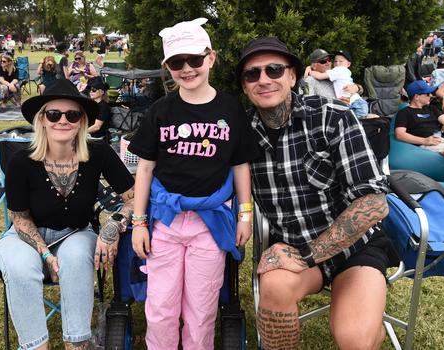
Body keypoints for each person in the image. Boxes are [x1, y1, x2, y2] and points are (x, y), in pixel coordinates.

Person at [237, 37, 391, 350]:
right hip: (294, 248)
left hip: (354, 249)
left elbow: (373, 204)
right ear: (244, 86)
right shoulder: (242, 135)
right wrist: (132, 211)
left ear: (293, 76)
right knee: (274, 285)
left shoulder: (333, 117)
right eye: (252, 74)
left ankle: (370, 325)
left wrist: (308, 254)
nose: (263, 79)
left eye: (274, 70)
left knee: (355, 340)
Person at [128, 18, 256, 350]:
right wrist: (139, 222)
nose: (187, 69)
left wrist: (245, 214)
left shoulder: (231, 108)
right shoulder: (160, 111)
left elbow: (240, 164)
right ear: (167, 67)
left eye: (194, 60)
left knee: (201, 310)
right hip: (165, 222)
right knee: (160, 309)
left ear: (210, 58)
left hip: (210, 223)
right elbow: (144, 170)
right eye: (176, 62)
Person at [0, 79, 135, 350]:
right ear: (42, 120)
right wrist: (45, 254)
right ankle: (36, 346)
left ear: (82, 121)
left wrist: (113, 226)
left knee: (77, 256)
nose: (63, 121)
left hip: (76, 233)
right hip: (26, 235)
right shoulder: (21, 161)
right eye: (53, 114)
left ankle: (77, 344)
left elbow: (135, 197)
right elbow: (19, 217)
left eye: (72, 114)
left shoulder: (99, 153)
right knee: (20, 266)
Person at [306, 50, 369, 118]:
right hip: (333, 118)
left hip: (351, 107)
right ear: (314, 66)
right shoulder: (309, 81)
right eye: (323, 61)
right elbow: (307, 107)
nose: (328, 63)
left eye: (329, 60)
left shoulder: (334, 75)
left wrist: (357, 88)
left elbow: (358, 89)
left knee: (376, 119)